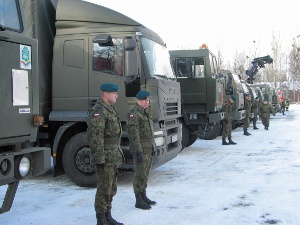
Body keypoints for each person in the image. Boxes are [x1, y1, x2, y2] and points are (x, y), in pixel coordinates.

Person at [86, 83, 124, 225]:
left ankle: (108, 215)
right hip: (105, 157)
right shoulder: (99, 111)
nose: (117, 95)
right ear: (106, 94)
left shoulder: (110, 110)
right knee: (104, 188)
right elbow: (96, 137)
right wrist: (99, 157)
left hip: (112, 156)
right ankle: (101, 219)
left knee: (111, 187)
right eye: (114, 93)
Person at [126, 90, 156, 210]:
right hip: (140, 149)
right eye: (144, 100)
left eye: (148, 100)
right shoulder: (134, 114)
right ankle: (138, 199)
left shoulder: (146, 113)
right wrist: (138, 151)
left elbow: (150, 133)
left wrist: (153, 147)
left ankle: (143, 195)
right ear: (138, 100)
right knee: (139, 174)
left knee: (146, 173)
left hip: (148, 148)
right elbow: (134, 135)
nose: (146, 102)